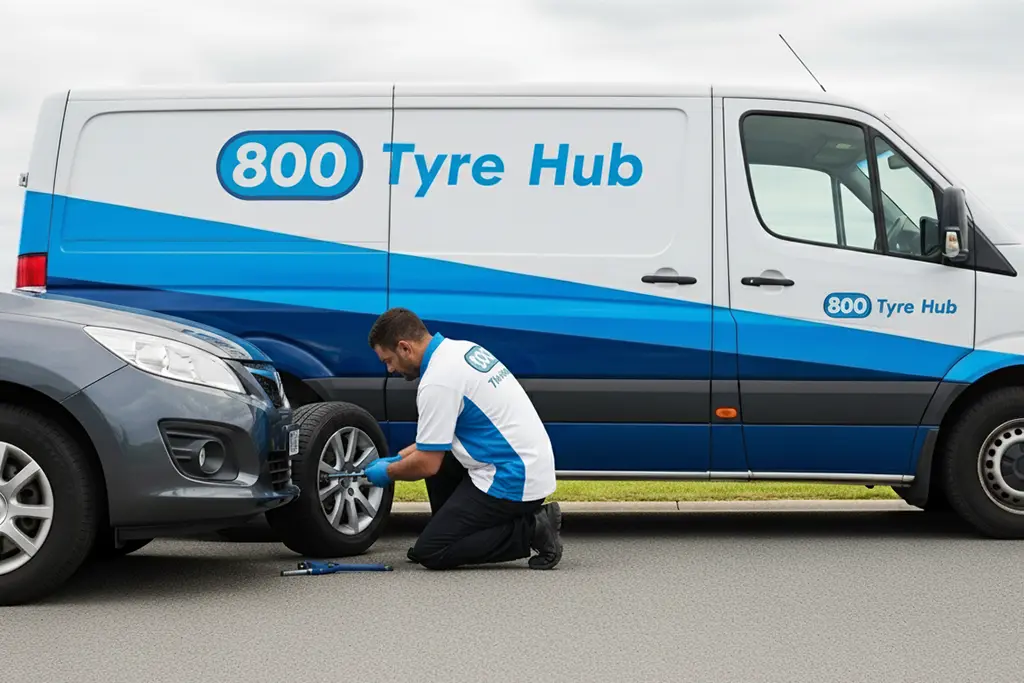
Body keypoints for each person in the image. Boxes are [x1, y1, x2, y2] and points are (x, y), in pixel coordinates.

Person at [362, 307, 563, 570]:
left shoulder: (438, 382)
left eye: (388, 360)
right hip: (525, 462)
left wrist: (388, 472)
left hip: (513, 477)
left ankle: (533, 528)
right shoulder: (460, 350)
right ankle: (450, 531)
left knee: (433, 552)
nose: (389, 369)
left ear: (404, 348)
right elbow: (432, 443)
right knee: (437, 457)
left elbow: (427, 464)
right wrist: (400, 457)